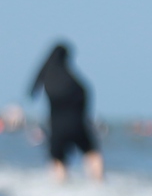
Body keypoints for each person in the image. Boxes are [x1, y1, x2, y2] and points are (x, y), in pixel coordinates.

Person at [29, 42, 102, 181]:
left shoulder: (48, 79)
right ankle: (99, 185)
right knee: (92, 153)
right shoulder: (73, 80)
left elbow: (32, 91)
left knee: (57, 159)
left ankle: (60, 192)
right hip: (77, 124)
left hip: (56, 127)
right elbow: (85, 94)